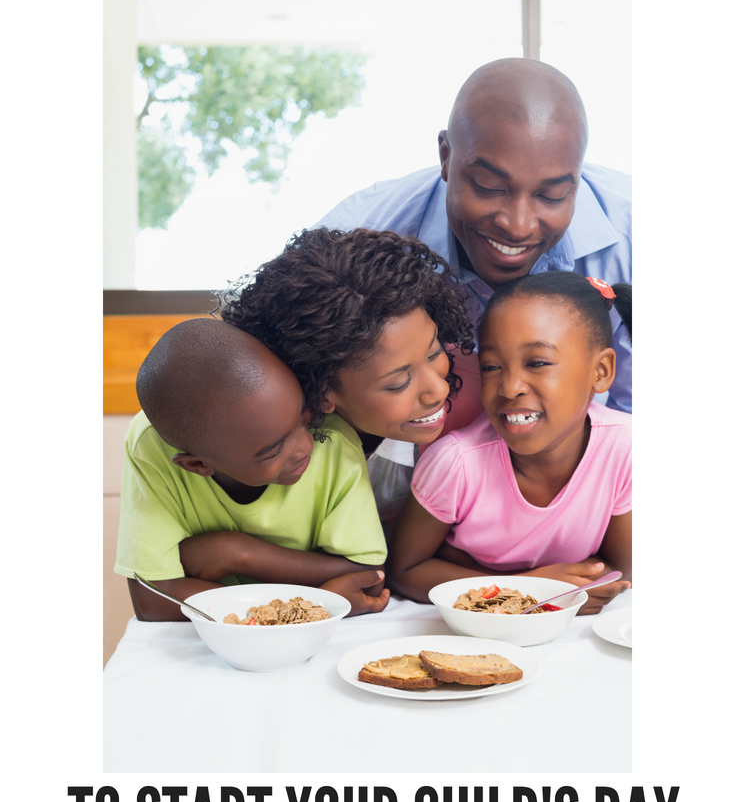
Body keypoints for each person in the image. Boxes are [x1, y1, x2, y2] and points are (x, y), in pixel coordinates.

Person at [315, 58, 632, 419]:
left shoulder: (634, 235)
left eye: (552, 196)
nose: (518, 226)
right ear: (446, 157)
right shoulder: (351, 241)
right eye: (489, 187)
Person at [389, 272, 632, 615]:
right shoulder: (456, 462)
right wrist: (529, 589)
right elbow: (404, 572)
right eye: (491, 366)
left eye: (537, 363)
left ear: (602, 371)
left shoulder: (625, 447)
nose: (509, 387)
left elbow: (622, 571)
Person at [115, 318, 389, 621]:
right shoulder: (152, 444)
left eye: (303, 416)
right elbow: (153, 600)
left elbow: (369, 580)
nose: (305, 446)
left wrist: (238, 553)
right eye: (273, 450)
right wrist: (320, 599)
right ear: (197, 465)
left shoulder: (333, 440)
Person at [218, 227, 475, 518]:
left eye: (434, 352)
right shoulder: (278, 456)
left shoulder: (479, 413)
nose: (439, 390)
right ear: (322, 392)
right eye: (399, 382)